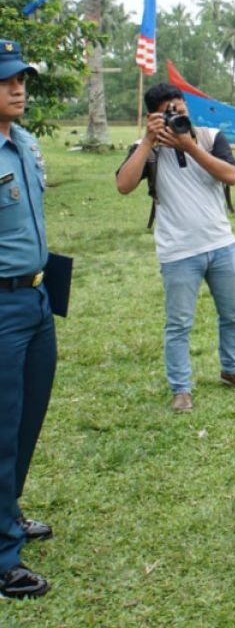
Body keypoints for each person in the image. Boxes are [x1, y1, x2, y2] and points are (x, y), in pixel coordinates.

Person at [116, 83, 235, 412]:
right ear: (153, 116)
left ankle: (231, 369)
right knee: (179, 325)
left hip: (221, 243)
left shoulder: (209, 136)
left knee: (232, 314)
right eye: (167, 108)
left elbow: (230, 175)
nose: (177, 110)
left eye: (179, 104)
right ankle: (181, 389)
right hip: (177, 251)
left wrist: (189, 147)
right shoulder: (145, 147)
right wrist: (148, 141)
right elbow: (123, 185)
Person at [0, 41, 54, 599]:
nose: (18, 88)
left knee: (25, 420)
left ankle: (7, 515)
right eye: (7, 80)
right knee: (0, 427)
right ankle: (1, 557)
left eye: (22, 79)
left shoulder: (27, 144)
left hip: (36, 300)